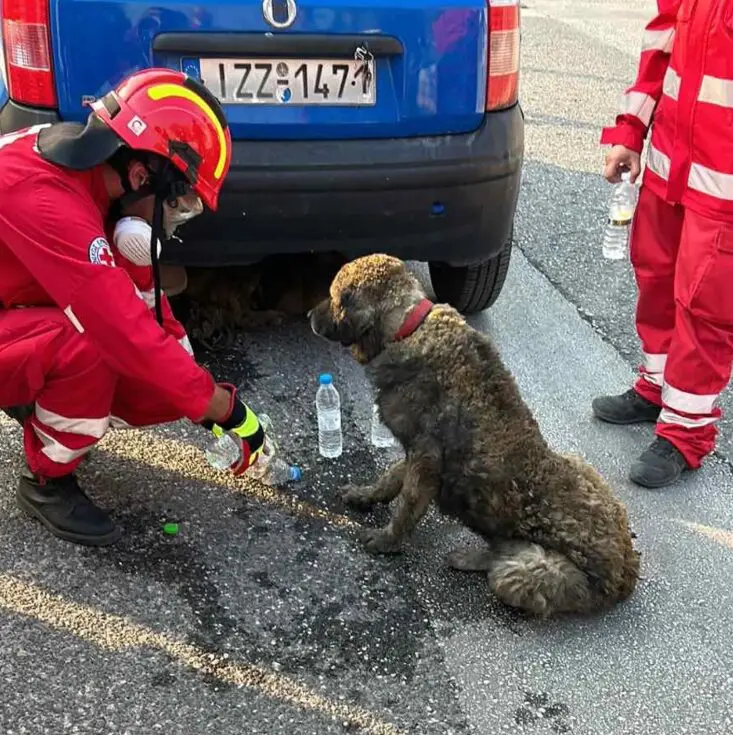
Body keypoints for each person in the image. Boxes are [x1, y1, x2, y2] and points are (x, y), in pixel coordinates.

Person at [0, 68, 266, 546]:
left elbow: (143, 311)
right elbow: (118, 327)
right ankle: (47, 481)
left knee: (165, 380)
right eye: (176, 198)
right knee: (88, 343)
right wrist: (224, 408)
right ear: (142, 173)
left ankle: (37, 399)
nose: (175, 214)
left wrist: (194, 389)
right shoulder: (47, 200)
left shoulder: (89, 177)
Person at [594, 1, 733, 488]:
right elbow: (660, 44)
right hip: (670, 163)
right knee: (655, 274)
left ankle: (686, 431)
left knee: (705, 302)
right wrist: (630, 131)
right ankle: (657, 386)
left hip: (724, 184)